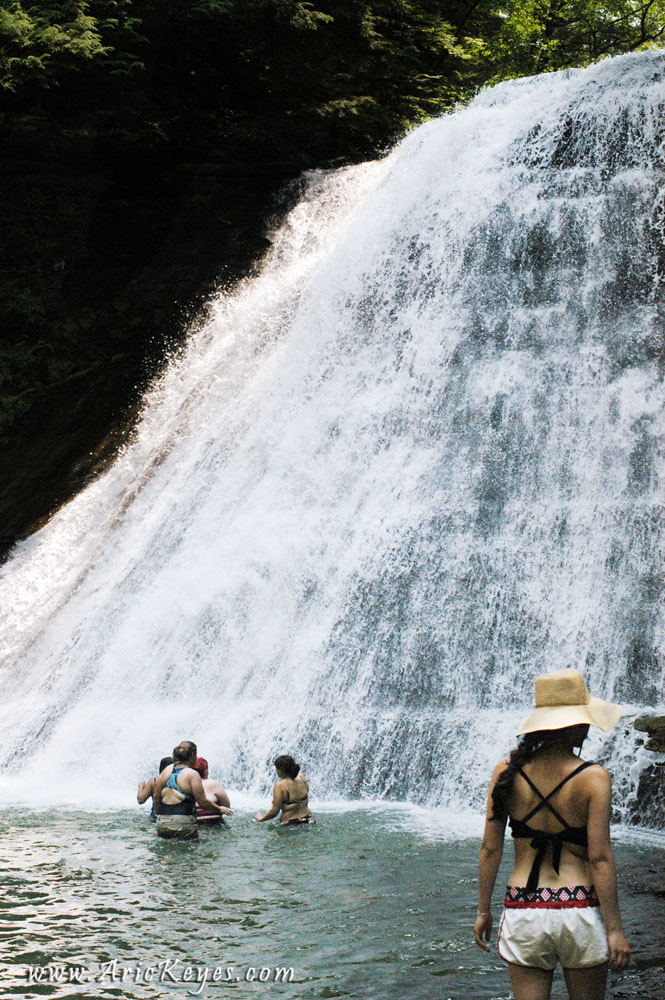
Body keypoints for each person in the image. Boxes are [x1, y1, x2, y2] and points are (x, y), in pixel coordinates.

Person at [474, 669, 630, 1000]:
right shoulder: (594, 778)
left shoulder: (506, 772)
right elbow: (600, 857)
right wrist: (615, 929)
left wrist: (483, 910)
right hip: (579, 906)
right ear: (577, 726)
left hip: (524, 907)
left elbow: (490, 849)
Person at [153, 741, 232, 839]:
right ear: (193, 755)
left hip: (162, 822)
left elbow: (156, 796)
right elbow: (202, 802)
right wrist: (219, 809)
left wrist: (158, 814)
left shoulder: (166, 770)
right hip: (183, 822)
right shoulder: (192, 774)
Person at [255, 755, 314, 826]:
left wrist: (262, 819)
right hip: (309, 819)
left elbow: (274, 811)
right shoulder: (302, 778)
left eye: (276, 769)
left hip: (290, 822)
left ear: (281, 770)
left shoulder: (280, 785)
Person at [193, 757, 231, 825]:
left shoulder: (185, 785)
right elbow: (227, 806)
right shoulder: (213, 784)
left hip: (194, 824)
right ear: (205, 771)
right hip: (214, 823)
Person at [137, 756, 173, 820]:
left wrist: (140, 787)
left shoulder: (154, 782)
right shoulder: (179, 780)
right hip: (174, 815)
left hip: (156, 816)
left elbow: (140, 800)